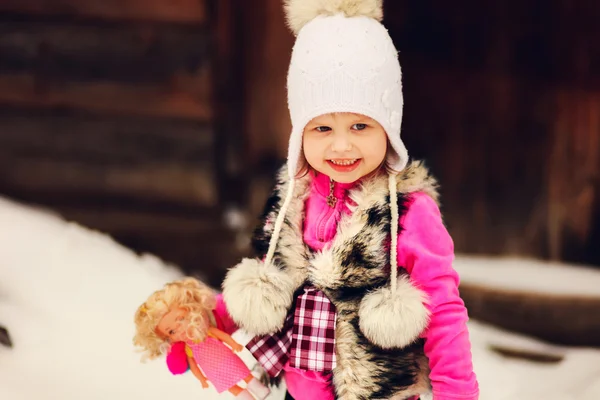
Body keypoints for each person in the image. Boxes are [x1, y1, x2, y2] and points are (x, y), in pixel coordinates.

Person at [223, 0, 479, 399]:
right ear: (300, 134)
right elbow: (269, 272)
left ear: (388, 128)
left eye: (360, 125)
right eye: (322, 127)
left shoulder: (409, 212)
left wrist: (457, 393)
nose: (341, 145)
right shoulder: (294, 196)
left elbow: (444, 312)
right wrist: (209, 316)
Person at [133, 278, 270, 400]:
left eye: (180, 319)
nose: (180, 329)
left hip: (229, 351)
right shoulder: (188, 345)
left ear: (191, 307)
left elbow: (221, 333)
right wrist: (201, 378)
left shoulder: (210, 322)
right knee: (230, 386)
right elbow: (187, 365)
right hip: (214, 370)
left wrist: (234, 344)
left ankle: (258, 389)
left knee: (242, 373)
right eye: (172, 331)